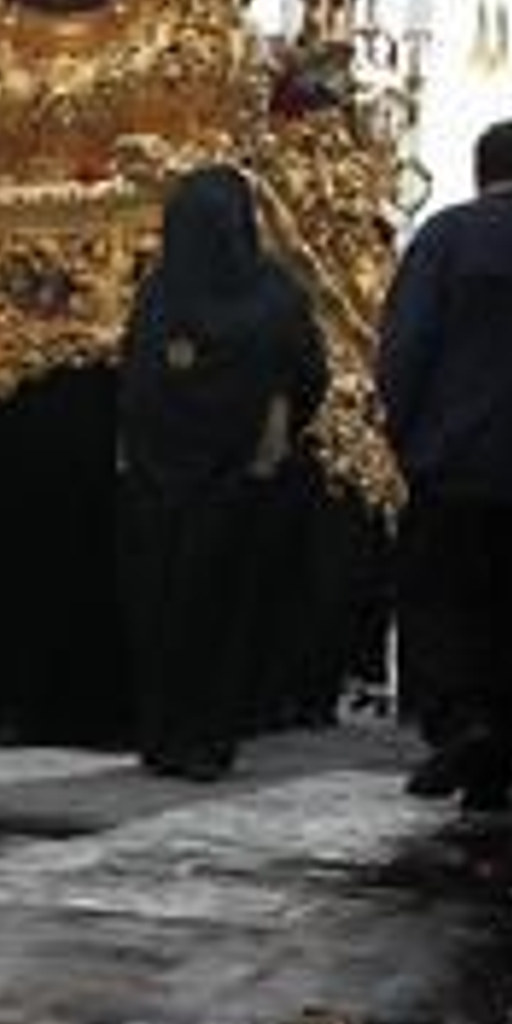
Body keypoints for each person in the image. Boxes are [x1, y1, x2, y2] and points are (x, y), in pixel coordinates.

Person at [117, 163, 328, 779]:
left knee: (158, 600)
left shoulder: (158, 289)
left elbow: (133, 376)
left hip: (157, 473)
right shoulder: (276, 292)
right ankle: (207, 738)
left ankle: (160, 733)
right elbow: (311, 375)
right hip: (241, 474)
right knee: (226, 607)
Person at [377, 117, 512, 811]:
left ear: (480, 170)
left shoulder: (447, 237)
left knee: (441, 599)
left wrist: (406, 433)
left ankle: (461, 719)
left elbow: (408, 340)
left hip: (454, 458)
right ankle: (496, 759)